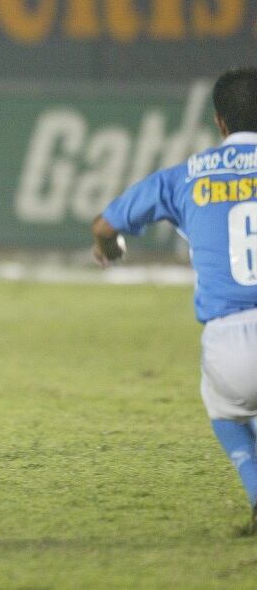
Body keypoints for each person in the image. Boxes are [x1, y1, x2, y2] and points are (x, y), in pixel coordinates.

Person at [93, 67, 257, 532]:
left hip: (229, 341)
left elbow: (105, 226)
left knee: (227, 407)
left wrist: (109, 249)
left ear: (220, 123)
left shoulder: (187, 175)